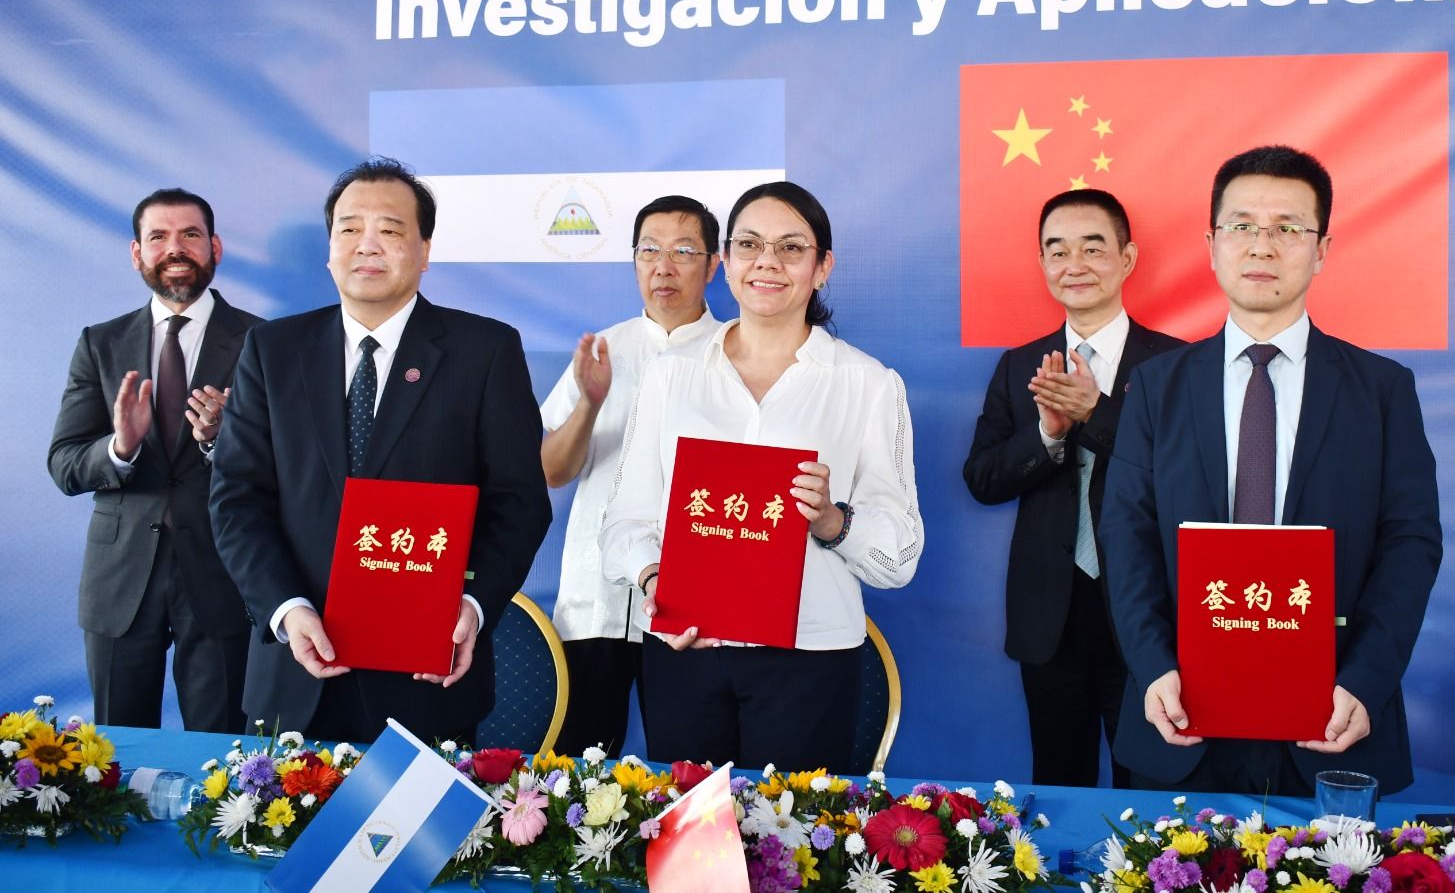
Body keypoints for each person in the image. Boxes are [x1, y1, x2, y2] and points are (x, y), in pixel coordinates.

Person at [1101, 145, 1442, 795]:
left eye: (1288, 228)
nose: (1262, 246)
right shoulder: (1156, 387)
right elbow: (1126, 536)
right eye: (1242, 226)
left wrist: (1365, 681)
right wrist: (1152, 667)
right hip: (1181, 714)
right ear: (1211, 245)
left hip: (1332, 720)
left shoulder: (1381, 390)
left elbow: (1411, 544)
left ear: (1322, 249)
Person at [209, 157, 550, 743]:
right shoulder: (271, 350)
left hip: (429, 674)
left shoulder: (484, 351)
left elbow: (519, 503)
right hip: (296, 673)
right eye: (349, 229)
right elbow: (237, 499)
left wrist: (471, 606)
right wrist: (286, 608)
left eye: (390, 230)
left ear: (424, 250)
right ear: (329, 250)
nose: (366, 244)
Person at [600, 181, 922, 772]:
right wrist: (654, 580)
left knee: (792, 829)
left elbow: (900, 556)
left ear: (822, 267)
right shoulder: (671, 374)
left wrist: (832, 521)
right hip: (683, 650)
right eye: (749, 244)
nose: (767, 262)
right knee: (689, 824)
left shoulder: (868, 384)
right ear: (726, 262)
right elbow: (625, 521)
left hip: (809, 658)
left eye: (791, 248)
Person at [963, 188, 1182, 787]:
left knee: (1152, 790)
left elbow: (1187, 480)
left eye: (1092, 248)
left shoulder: (1176, 366)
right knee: (1059, 780)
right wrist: (1047, 435)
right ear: (1042, 263)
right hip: (1049, 618)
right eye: (1057, 251)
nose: (1074, 265)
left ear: (1127, 258)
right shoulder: (1020, 365)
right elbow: (982, 479)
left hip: (1148, 616)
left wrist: (1096, 414)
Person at [48, 188, 259, 732]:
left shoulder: (263, 342)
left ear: (214, 247)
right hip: (119, 580)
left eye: (190, 234)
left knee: (223, 753)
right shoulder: (100, 343)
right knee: (115, 750)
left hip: (223, 574)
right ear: (137, 252)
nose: (175, 248)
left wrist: (219, 441)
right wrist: (121, 446)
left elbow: (290, 467)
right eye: (158, 236)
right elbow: (65, 464)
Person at [541, 195, 722, 757]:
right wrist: (590, 403)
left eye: (683, 252)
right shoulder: (605, 349)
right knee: (580, 768)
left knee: (691, 762)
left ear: (713, 265)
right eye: (649, 251)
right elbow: (552, 470)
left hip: (691, 602)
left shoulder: (734, 354)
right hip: (595, 596)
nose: (663, 267)